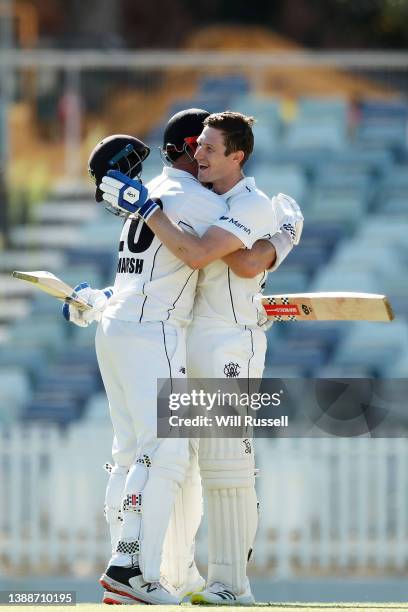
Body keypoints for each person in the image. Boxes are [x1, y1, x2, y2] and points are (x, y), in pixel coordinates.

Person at [100, 111, 303, 605]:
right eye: (199, 147)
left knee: (221, 466)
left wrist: (284, 234)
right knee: (169, 461)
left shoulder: (245, 202)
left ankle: (225, 584)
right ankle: (156, 571)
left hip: (226, 341)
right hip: (179, 336)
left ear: (237, 155)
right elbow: (188, 255)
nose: (202, 156)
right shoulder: (200, 200)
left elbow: (237, 258)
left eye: (212, 148)